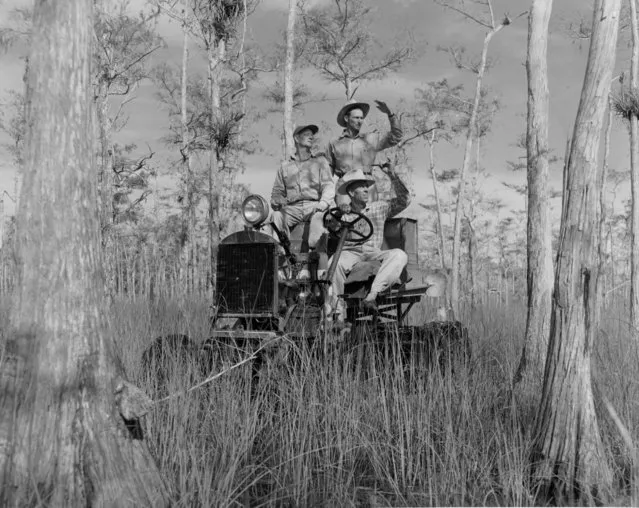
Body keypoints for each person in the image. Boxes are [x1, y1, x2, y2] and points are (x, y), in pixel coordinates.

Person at [327, 161, 410, 318]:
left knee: (399, 255)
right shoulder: (343, 212)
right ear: (351, 192)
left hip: (373, 252)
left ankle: (372, 295)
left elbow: (404, 200)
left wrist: (392, 174)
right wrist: (338, 213)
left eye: (367, 186)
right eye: (361, 186)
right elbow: (331, 226)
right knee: (334, 264)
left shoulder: (379, 207)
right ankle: (336, 312)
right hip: (350, 252)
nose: (366, 189)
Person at [269, 124, 335, 278]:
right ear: (296, 139)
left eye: (312, 135)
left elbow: (329, 186)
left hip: (314, 205)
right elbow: (276, 193)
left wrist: (323, 204)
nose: (311, 137)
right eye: (306, 134)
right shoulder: (284, 166)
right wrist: (277, 202)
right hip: (292, 209)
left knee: (319, 218)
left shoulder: (320, 162)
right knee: (276, 217)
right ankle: (283, 261)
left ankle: (312, 263)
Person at [327, 100, 402, 205]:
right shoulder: (334, 142)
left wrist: (390, 114)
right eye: (356, 118)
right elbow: (327, 173)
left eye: (362, 118)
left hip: (367, 186)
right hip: (344, 187)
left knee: (369, 217)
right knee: (344, 218)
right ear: (346, 118)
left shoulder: (371, 139)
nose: (360, 121)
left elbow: (396, 136)